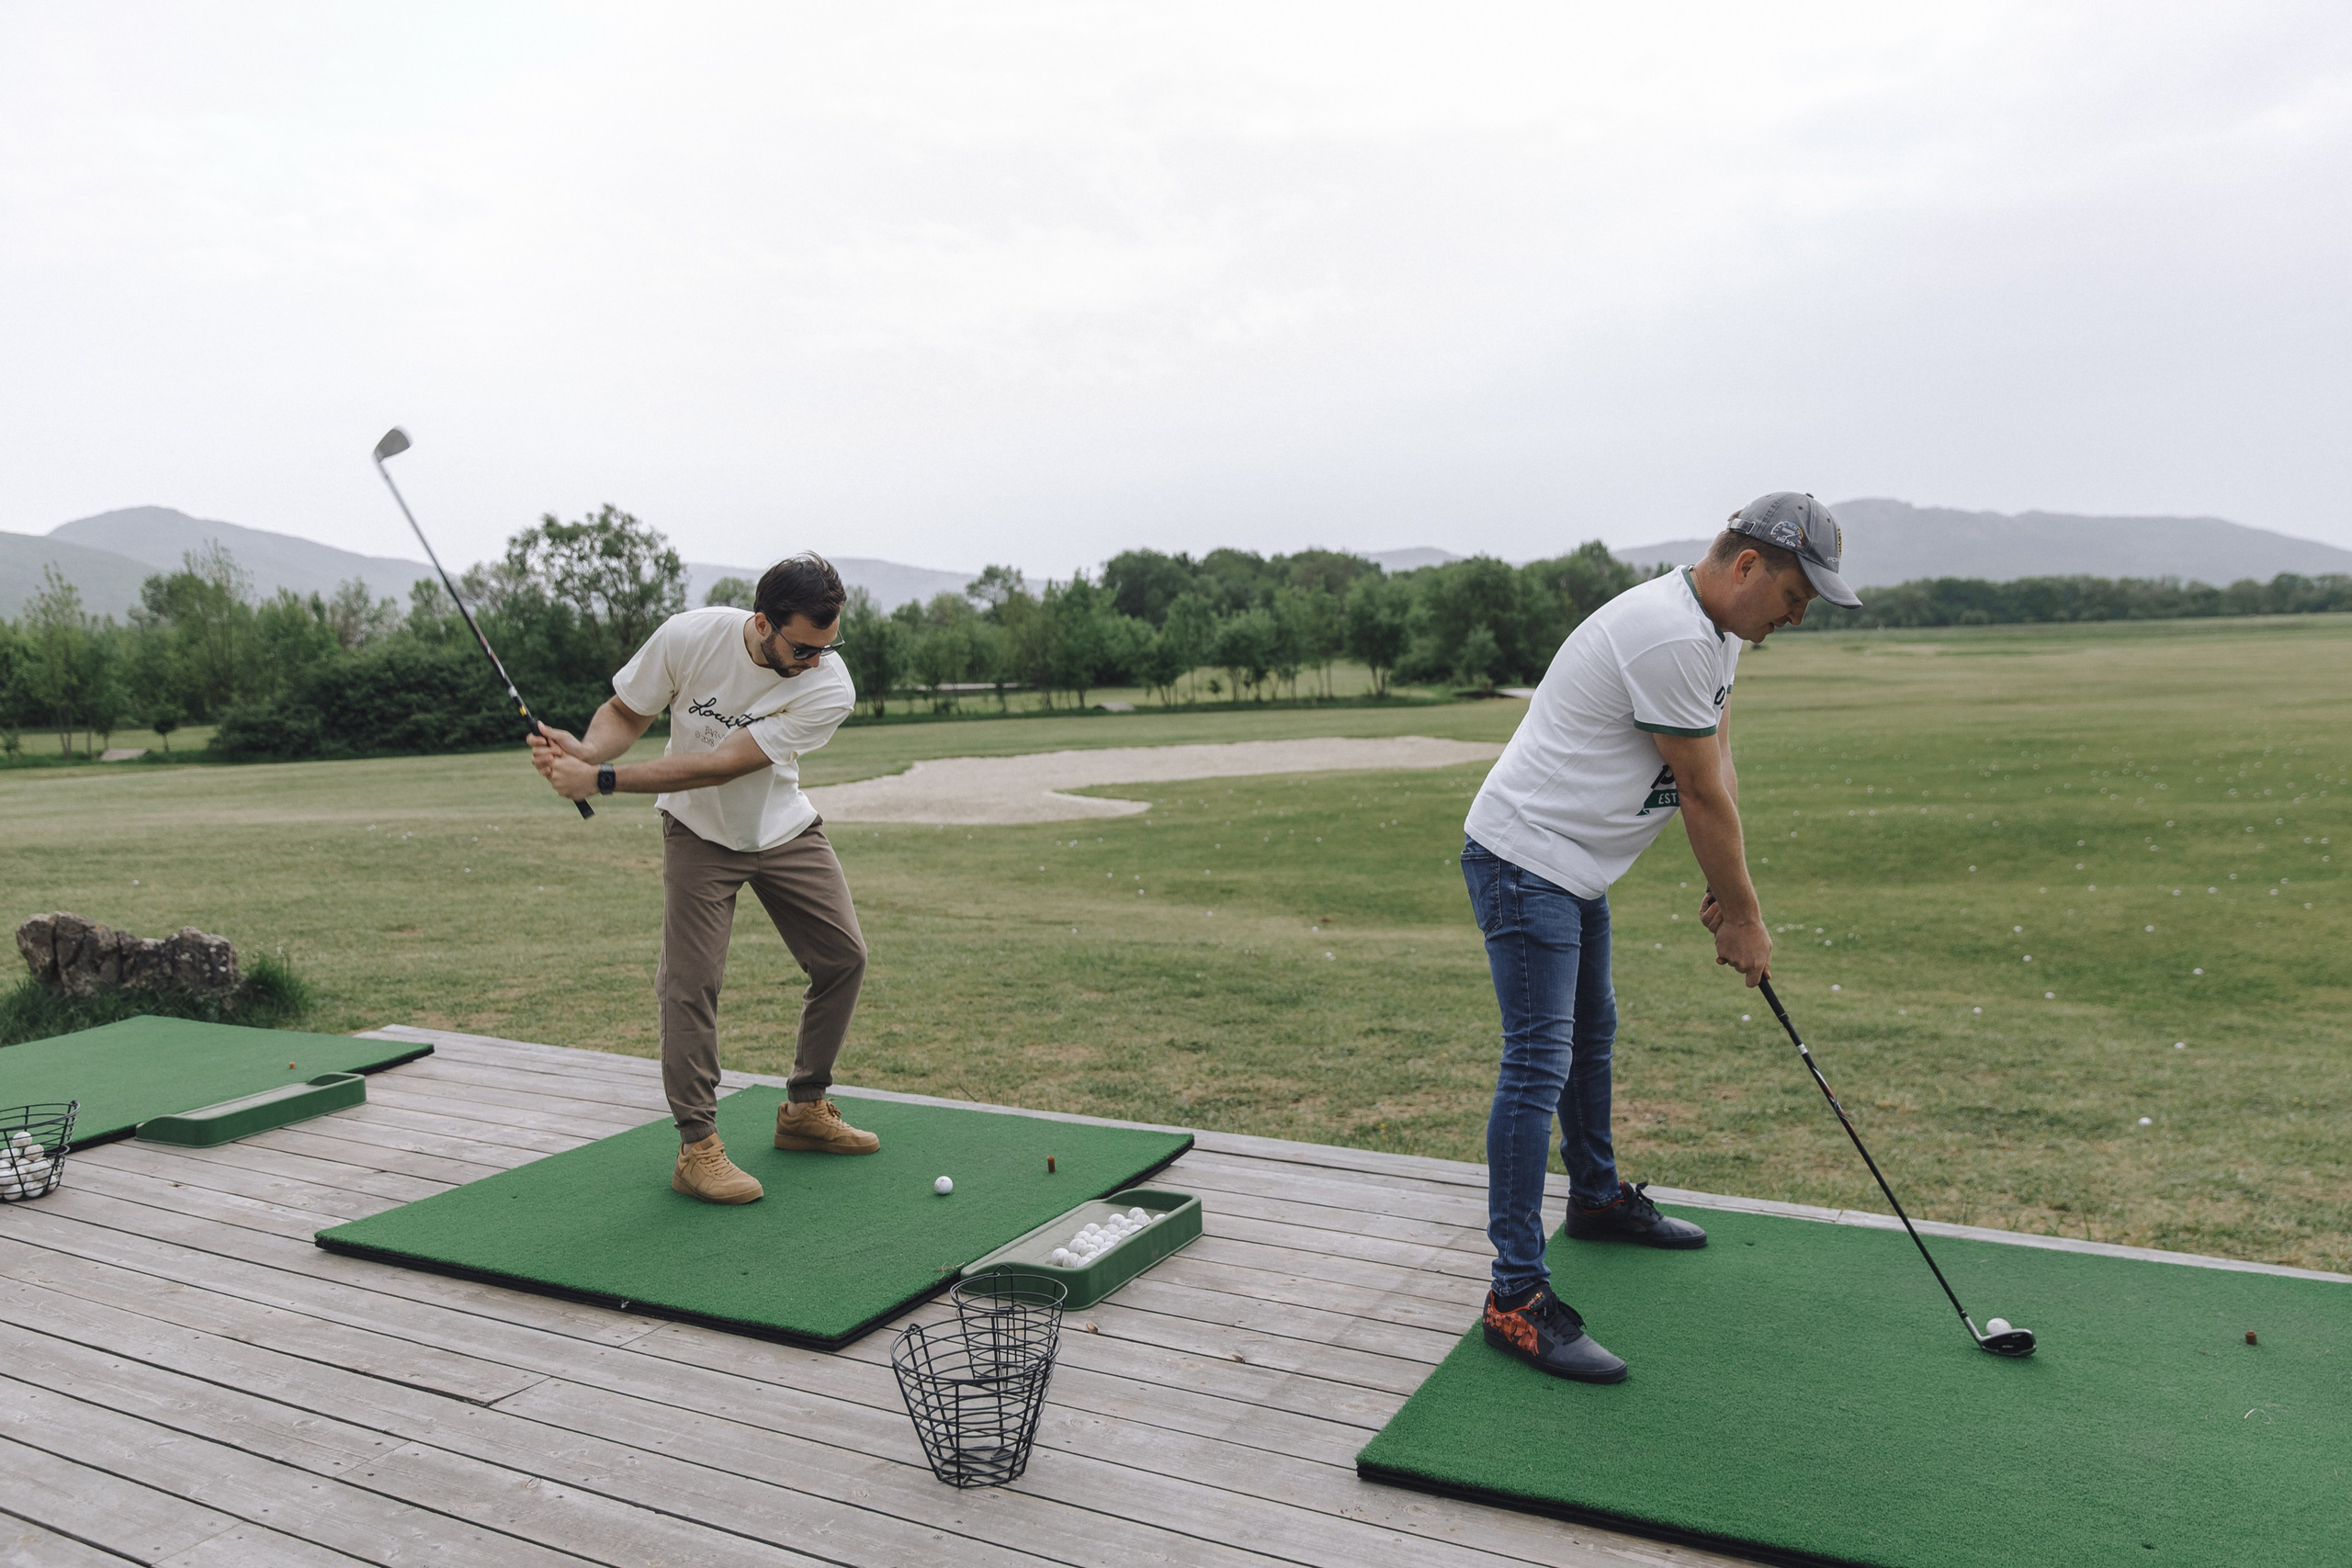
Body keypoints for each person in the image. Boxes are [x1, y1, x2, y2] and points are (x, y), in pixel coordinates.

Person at [1460, 492, 1861, 1381]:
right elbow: (1700, 791)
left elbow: (1714, 765)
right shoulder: (1673, 632)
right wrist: (1747, 918)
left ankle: (1596, 1199)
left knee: (1591, 1034)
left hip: (1573, 866)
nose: (1797, 618)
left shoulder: (1719, 632)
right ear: (1747, 565)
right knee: (1538, 1061)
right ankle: (1514, 1296)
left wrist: (1728, 890)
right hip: (1527, 859)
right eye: (1796, 596)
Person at [529, 553, 879, 1204]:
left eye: (827, 649)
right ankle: (697, 1146)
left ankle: (805, 1108)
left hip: (782, 827)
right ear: (762, 623)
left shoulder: (830, 685)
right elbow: (627, 710)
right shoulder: (690, 635)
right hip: (697, 834)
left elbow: (721, 765)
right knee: (690, 984)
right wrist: (590, 750)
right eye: (803, 648)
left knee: (844, 957)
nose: (815, 662)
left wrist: (600, 781)